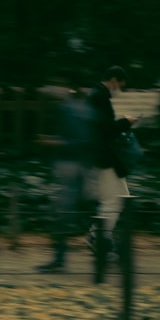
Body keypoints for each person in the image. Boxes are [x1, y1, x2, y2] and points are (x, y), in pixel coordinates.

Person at [36, 80, 95, 273]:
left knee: (63, 215)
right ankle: (111, 251)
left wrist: (51, 143)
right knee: (85, 214)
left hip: (69, 166)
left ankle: (59, 261)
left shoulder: (68, 109)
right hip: (83, 166)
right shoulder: (84, 108)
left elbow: (76, 141)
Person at [84, 66, 138, 258]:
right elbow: (105, 132)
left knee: (121, 197)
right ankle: (99, 240)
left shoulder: (95, 95)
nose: (119, 90)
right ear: (113, 80)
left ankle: (97, 235)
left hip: (100, 157)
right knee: (112, 201)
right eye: (119, 86)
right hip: (104, 158)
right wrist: (126, 122)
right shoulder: (100, 97)